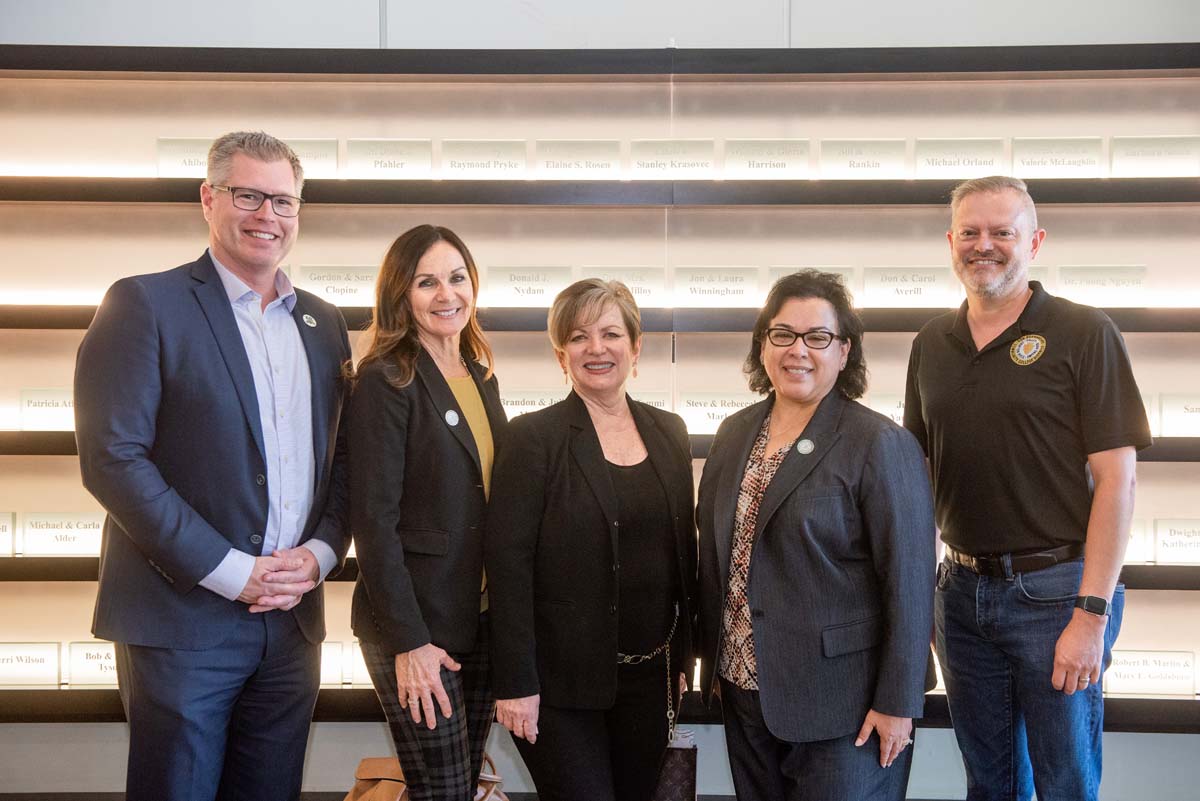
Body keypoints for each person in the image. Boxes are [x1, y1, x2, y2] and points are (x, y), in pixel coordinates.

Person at [74, 131, 351, 801]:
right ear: (208, 197)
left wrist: (318, 555)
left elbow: (345, 463)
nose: (267, 216)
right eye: (248, 195)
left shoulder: (324, 323)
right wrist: (234, 573)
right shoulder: (145, 304)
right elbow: (113, 458)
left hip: (290, 623)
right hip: (182, 621)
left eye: (283, 200)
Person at [904, 175, 1152, 801]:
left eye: (1001, 232)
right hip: (960, 598)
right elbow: (922, 477)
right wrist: (922, 599)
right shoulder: (931, 343)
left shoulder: (1084, 332)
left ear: (1034, 240)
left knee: (1064, 782)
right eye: (970, 233)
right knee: (990, 783)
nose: (983, 245)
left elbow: (1117, 480)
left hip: (1057, 595)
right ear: (950, 242)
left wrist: (1091, 617)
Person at [697, 270, 936, 801]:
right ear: (763, 345)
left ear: (844, 351)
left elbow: (911, 579)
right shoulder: (734, 433)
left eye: (817, 337)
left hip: (844, 706)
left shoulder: (879, 442)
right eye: (782, 334)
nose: (797, 350)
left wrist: (898, 701)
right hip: (744, 688)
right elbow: (714, 553)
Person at [485, 279, 697, 801]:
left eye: (610, 333)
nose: (596, 349)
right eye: (579, 337)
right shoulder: (533, 438)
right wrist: (515, 681)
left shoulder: (669, 430)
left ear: (636, 346)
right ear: (562, 355)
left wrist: (687, 656)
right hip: (558, 687)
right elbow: (508, 564)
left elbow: (682, 553)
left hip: (652, 678)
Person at [349, 224, 506, 801]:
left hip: (481, 617)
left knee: (461, 788)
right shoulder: (386, 380)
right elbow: (373, 523)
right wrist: (409, 643)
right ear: (400, 294)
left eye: (457, 278)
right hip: (418, 627)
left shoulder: (479, 374)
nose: (447, 294)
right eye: (427, 281)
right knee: (441, 790)